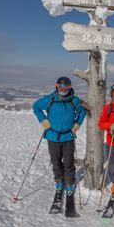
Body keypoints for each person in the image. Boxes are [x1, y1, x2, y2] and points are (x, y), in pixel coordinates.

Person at [33, 76, 86, 214]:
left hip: (68, 136)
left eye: (66, 87)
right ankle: (59, 183)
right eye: (61, 87)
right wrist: (43, 120)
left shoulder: (74, 100)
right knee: (56, 162)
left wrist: (77, 123)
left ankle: (69, 185)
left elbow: (82, 111)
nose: (63, 90)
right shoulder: (50, 99)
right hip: (53, 136)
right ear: (57, 86)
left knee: (69, 163)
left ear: (70, 87)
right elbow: (36, 107)